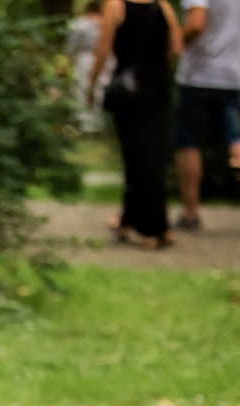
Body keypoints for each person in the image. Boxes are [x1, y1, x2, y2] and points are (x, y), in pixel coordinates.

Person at [88, 0, 183, 249]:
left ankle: (153, 228)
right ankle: (130, 220)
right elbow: (176, 47)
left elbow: (103, 47)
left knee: (138, 157)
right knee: (153, 153)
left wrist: (92, 84)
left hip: (131, 90)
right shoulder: (164, 6)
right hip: (158, 86)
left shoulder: (115, 6)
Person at [174, 0, 240, 231]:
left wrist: (176, 42)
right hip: (234, 74)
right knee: (236, 139)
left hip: (198, 75)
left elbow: (196, 23)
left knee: (188, 141)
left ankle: (190, 213)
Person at [66, 1, 111, 135]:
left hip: (84, 58)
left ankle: (85, 124)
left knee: (82, 89)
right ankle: (101, 123)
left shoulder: (79, 23)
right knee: (102, 89)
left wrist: (69, 60)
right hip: (108, 59)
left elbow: (71, 46)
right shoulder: (106, 22)